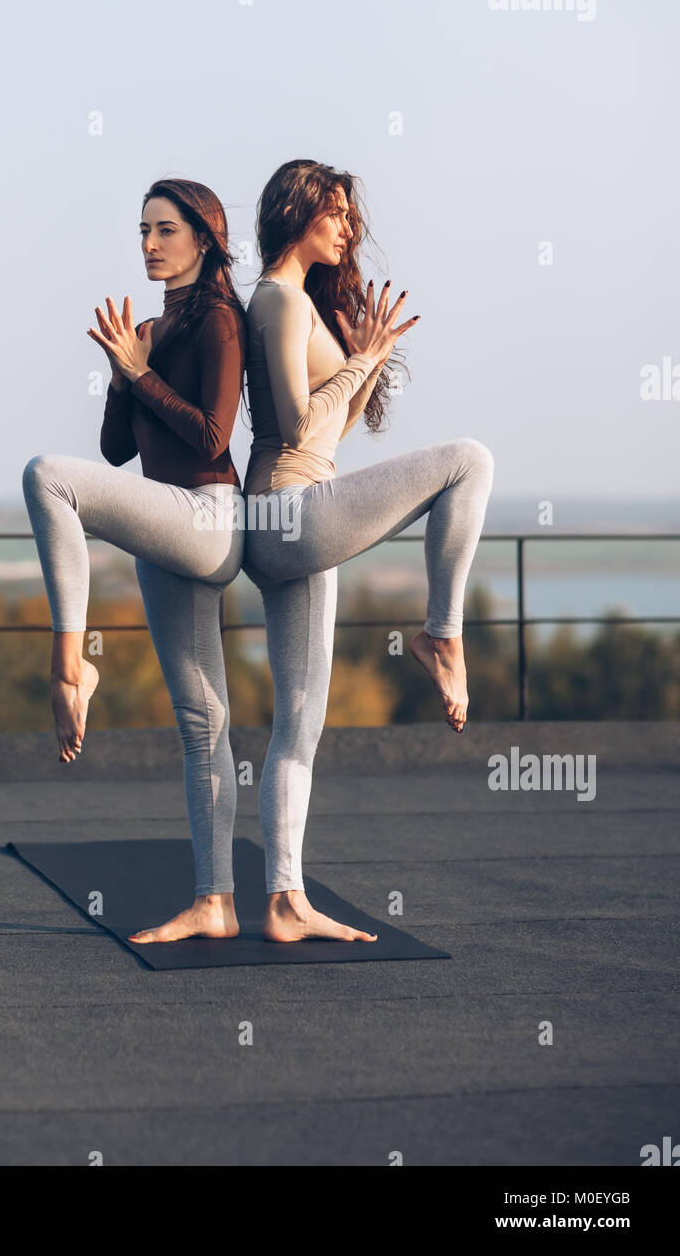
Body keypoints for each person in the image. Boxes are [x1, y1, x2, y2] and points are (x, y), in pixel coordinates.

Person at [242, 158, 495, 943]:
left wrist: (367, 364)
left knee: (300, 726)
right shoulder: (278, 299)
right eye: (338, 213)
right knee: (469, 460)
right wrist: (359, 361)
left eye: (351, 216)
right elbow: (286, 426)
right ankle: (441, 634)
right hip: (288, 508)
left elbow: (326, 435)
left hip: (299, 512)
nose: (350, 228)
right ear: (299, 211)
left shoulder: (305, 305)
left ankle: (285, 900)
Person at [22, 178, 246, 943]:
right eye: (142, 231)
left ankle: (71, 665)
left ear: (204, 240)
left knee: (47, 476)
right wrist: (126, 370)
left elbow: (214, 437)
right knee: (202, 723)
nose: (149, 244)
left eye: (165, 230)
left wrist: (140, 372)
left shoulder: (219, 320)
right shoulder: (151, 328)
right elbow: (117, 449)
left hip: (209, 518)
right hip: (166, 525)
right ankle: (214, 901)